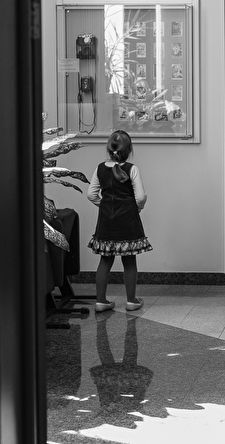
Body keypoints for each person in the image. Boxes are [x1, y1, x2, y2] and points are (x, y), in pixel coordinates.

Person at [86, 130, 153, 312]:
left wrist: (104, 205)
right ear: (129, 150)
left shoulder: (100, 168)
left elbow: (91, 194)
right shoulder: (132, 169)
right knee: (129, 260)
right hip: (128, 220)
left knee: (105, 260)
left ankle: (101, 301)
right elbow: (140, 197)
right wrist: (137, 208)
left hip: (106, 221)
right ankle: (131, 301)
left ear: (109, 149)